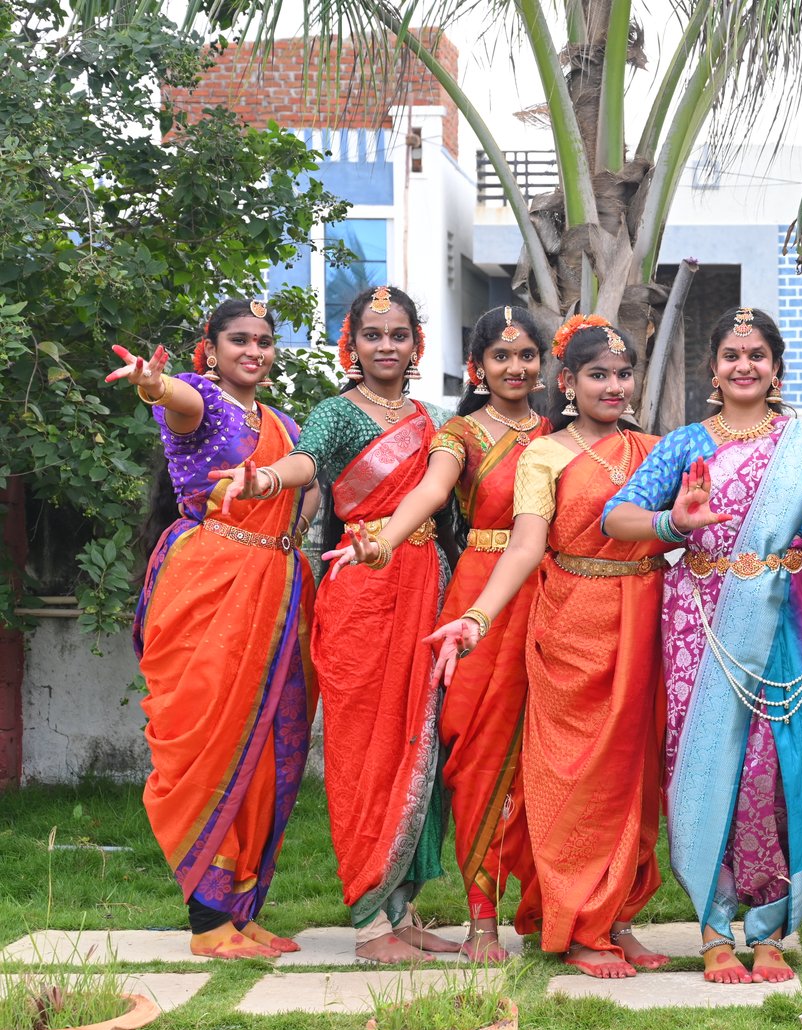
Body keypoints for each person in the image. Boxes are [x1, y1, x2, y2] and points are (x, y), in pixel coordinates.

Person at [602, 307, 802, 985]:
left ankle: (772, 928)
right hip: (699, 623)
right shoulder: (686, 444)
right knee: (704, 761)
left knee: (777, 768)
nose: (744, 365)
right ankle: (716, 929)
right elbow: (617, 514)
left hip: (782, 621)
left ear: (776, 368)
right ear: (713, 368)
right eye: (731, 354)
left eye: (757, 354)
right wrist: (672, 520)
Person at [210, 285, 459, 963]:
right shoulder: (336, 414)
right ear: (352, 343)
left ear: (417, 344)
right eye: (372, 334)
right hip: (362, 589)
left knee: (418, 745)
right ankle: (370, 925)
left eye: (398, 334)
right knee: (363, 750)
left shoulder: (435, 420)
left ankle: (402, 910)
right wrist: (263, 480)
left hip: (426, 586)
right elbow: (308, 462)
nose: (386, 345)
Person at [425, 315, 672, 979]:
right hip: (571, 623)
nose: (613, 384)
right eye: (598, 374)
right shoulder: (546, 453)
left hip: (643, 623)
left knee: (636, 775)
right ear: (567, 383)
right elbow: (527, 545)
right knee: (574, 774)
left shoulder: (656, 448)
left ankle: (620, 915)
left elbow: (692, 520)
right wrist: (474, 618)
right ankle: (577, 921)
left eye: (623, 373)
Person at [325, 304, 547, 962]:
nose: (515, 366)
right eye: (500, 356)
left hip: (555, 599)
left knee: (551, 755)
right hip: (478, 593)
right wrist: (382, 541)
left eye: (527, 354)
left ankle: (556, 910)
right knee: (474, 757)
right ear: (476, 365)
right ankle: (482, 918)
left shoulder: (561, 433)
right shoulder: (456, 432)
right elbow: (428, 491)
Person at [116, 299, 317, 959]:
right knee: (212, 740)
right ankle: (208, 924)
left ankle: (240, 908)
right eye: (239, 340)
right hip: (209, 588)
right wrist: (152, 380)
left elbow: (306, 486)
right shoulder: (200, 400)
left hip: (275, 593)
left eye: (263, 341)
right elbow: (171, 395)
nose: (253, 351)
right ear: (211, 346)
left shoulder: (283, 423)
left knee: (267, 749)